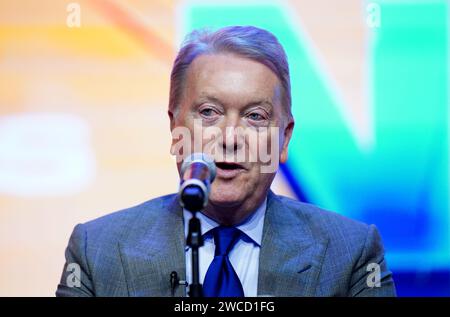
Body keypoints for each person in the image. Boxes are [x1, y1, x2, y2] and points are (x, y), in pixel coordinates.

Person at [56, 25, 396, 297]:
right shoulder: (98, 253)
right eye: (209, 113)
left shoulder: (350, 254)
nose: (230, 138)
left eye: (255, 116)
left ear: (284, 139)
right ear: (175, 129)